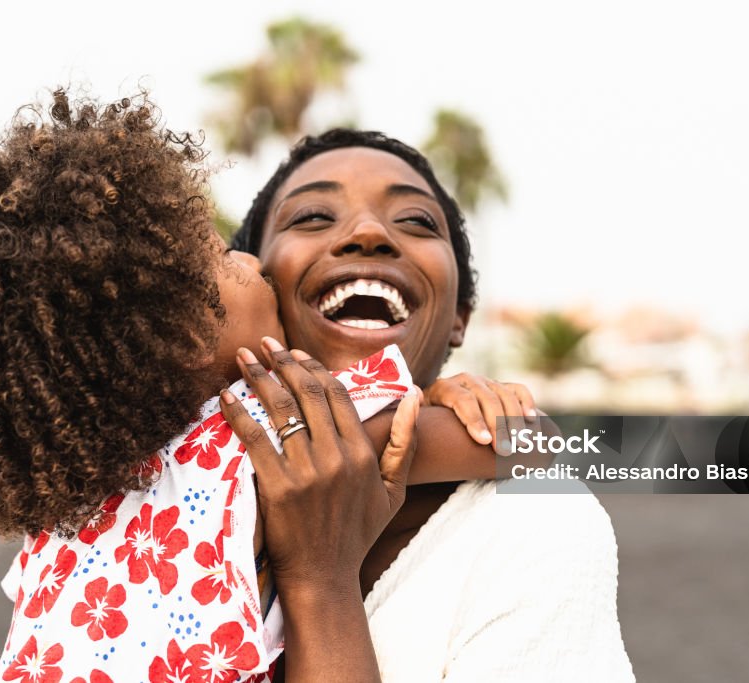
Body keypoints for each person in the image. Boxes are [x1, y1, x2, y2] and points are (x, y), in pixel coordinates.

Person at [0, 91, 525, 682]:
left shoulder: (58, 532)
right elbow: (525, 443)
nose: (247, 263)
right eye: (221, 257)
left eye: (415, 219)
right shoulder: (258, 434)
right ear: (182, 331)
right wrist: (450, 400)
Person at [232, 128, 636, 680]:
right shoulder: (145, 475)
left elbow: (539, 442)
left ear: (459, 319)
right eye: (312, 217)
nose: (368, 232)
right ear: (254, 283)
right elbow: (538, 440)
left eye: (417, 221)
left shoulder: (531, 522)